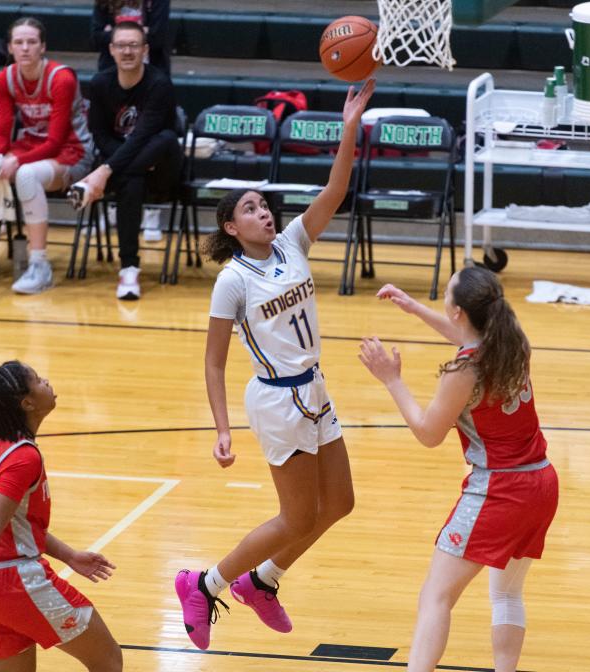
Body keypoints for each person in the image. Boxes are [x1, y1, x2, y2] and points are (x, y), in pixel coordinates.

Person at [173, 79, 375, 651]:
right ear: (231, 229)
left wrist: (350, 123)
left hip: (314, 387)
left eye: (263, 204)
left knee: (338, 504)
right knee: (294, 517)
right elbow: (213, 363)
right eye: (250, 209)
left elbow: (336, 190)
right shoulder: (232, 280)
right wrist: (220, 428)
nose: (263, 212)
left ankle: (261, 581)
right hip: (276, 399)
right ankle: (203, 583)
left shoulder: (291, 244)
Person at [357, 268, 559, 672]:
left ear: (458, 311)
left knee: (436, 596)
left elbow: (429, 433)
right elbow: (465, 336)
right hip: (541, 482)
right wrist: (414, 309)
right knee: (506, 595)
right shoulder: (512, 340)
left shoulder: (462, 372)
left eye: (445, 294)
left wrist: (391, 379)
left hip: (499, 492)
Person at [0, 361, 122, 672]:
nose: (46, 381)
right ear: (27, 403)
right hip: (17, 582)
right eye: (38, 380)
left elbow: (14, 525)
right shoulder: (23, 457)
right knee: (109, 660)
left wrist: (68, 555)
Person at [0, 17, 93, 295]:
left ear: (43, 46)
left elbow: (56, 141)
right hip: (30, 147)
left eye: (32, 42)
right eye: (19, 42)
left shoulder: (61, 78)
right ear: (10, 47)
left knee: (25, 175)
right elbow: (1, 135)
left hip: (72, 153)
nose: (25, 48)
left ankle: (39, 265)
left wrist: (16, 161)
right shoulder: (6, 78)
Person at [80, 20, 182, 301]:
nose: (127, 51)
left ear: (145, 50)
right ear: (111, 50)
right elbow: (99, 133)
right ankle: (128, 269)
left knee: (166, 139)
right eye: (121, 45)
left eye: (134, 45)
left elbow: (144, 135)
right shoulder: (100, 83)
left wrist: (104, 171)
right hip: (130, 173)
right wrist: (117, 166)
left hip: (162, 171)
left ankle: (95, 183)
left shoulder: (159, 83)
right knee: (131, 182)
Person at [90, 0, 170, 75]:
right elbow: (97, 38)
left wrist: (113, 34)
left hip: (151, 69)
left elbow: (157, 39)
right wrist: (141, 32)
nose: (127, 51)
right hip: (111, 69)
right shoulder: (105, 2)